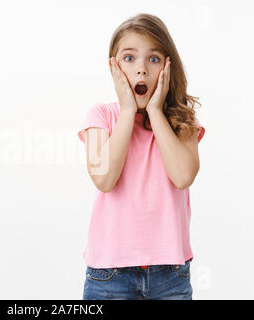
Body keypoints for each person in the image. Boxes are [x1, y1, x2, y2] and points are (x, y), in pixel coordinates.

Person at [78, 13, 205, 300]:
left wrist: (156, 112)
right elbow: (104, 178)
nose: (142, 70)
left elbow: (183, 176)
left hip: (170, 275)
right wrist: (126, 112)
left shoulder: (181, 120)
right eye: (129, 58)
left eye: (154, 59)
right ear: (113, 66)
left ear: (168, 66)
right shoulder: (101, 116)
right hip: (109, 276)